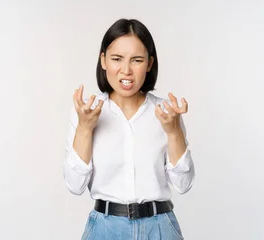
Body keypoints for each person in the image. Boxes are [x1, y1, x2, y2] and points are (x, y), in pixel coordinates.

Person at [63, 18, 195, 240]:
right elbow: (75, 185)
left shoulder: (166, 112)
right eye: (116, 59)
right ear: (103, 60)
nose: (126, 70)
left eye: (136, 60)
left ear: (149, 64)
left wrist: (173, 132)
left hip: (160, 227)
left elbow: (183, 184)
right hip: (105, 229)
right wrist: (85, 128)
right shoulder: (87, 112)